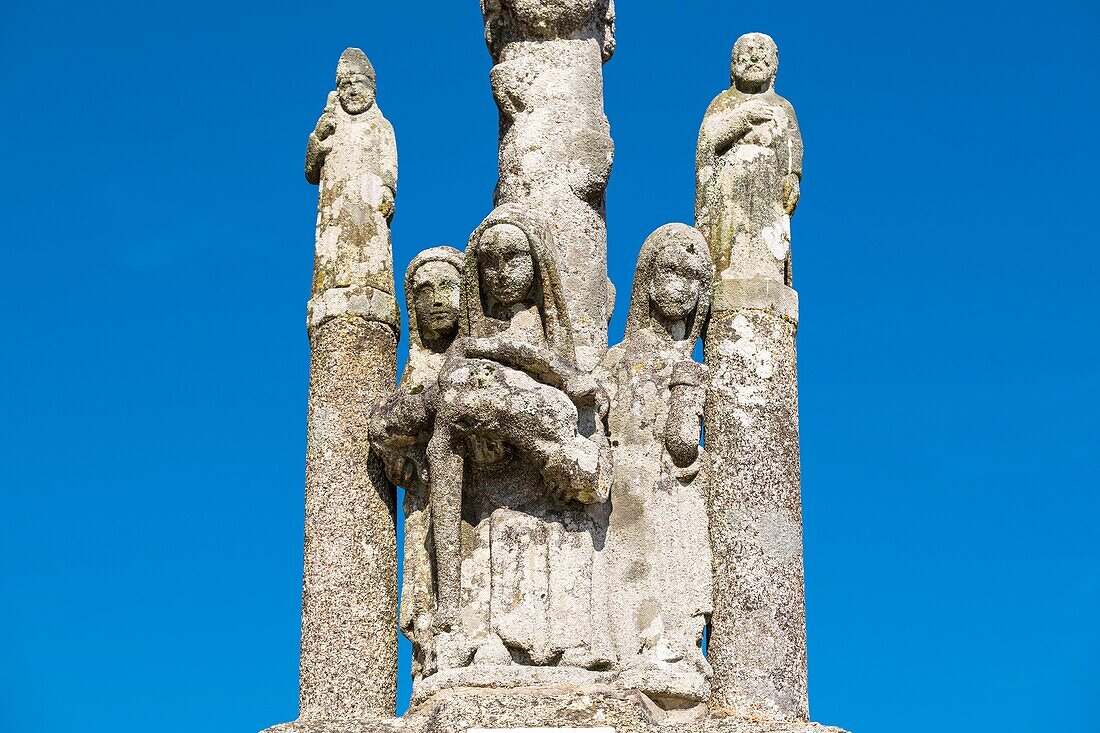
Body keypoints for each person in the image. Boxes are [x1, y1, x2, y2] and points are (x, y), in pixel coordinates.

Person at [426, 204, 612, 653]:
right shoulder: (466, 348)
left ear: (536, 264)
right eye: (489, 263)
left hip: (549, 485)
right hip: (488, 488)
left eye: (513, 258)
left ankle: (562, 642)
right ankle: (458, 615)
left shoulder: (550, 337)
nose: (501, 272)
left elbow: (576, 390)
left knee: (549, 565)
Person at [368, 246, 464, 683]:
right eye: (424, 291)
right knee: (426, 615)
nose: (438, 299)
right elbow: (385, 431)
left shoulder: (481, 358)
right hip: (427, 513)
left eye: (449, 286)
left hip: (477, 507)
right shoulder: (418, 370)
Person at [695, 33, 802, 285]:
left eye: (762, 52)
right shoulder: (723, 102)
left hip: (768, 193)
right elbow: (708, 143)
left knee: (766, 256)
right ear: (733, 64)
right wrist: (744, 118)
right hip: (729, 191)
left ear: (774, 65)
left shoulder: (782, 106)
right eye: (747, 51)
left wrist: (793, 176)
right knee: (728, 249)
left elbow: (792, 146)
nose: (754, 56)